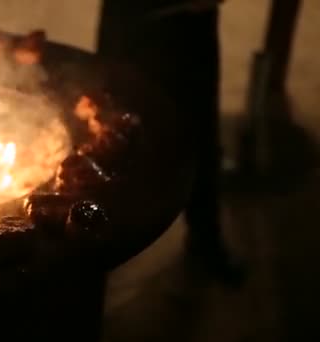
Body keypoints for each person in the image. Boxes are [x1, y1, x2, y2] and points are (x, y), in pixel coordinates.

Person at [97, 0, 244, 285]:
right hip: (130, 17)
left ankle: (205, 236)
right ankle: (99, 237)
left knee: (200, 130)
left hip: (190, 25)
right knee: (111, 125)